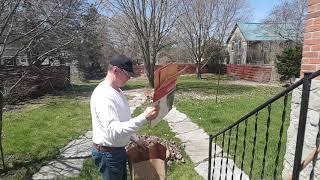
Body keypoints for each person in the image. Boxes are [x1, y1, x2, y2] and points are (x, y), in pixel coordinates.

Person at [90, 55, 160, 180]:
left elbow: (123, 122)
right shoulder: (104, 96)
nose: (129, 78)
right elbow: (113, 131)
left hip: (116, 150)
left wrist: (135, 139)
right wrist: (144, 116)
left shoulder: (117, 91)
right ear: (115, 70)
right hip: (108, 153)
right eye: (127, 74)